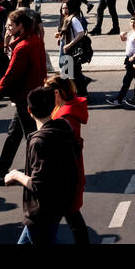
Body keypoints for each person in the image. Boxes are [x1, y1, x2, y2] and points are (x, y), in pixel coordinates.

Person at [6, 87, 81, 245]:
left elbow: (39, 185)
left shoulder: (39, 141)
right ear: (54, 107)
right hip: (58, 206)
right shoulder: (63, 129)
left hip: (41, 212)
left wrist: (15, 175)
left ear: (29, 110)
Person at [0, 10, 48, 184]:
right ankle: (1, 169)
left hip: (25, 97)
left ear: (21, 26)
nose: (7, 28)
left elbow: (11, 75)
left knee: (30, 137)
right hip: (32, 94)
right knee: (14, 134)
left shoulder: (23, 46)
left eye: (11, 25)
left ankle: (35, 172)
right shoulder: (35, 40)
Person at [45, 73, 90, 244]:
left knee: (69, 217)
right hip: (68, 171)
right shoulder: (64, 109)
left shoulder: (67, 117)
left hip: (65, 173)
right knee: (71, 216)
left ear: (57, 93)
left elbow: (63, 146)